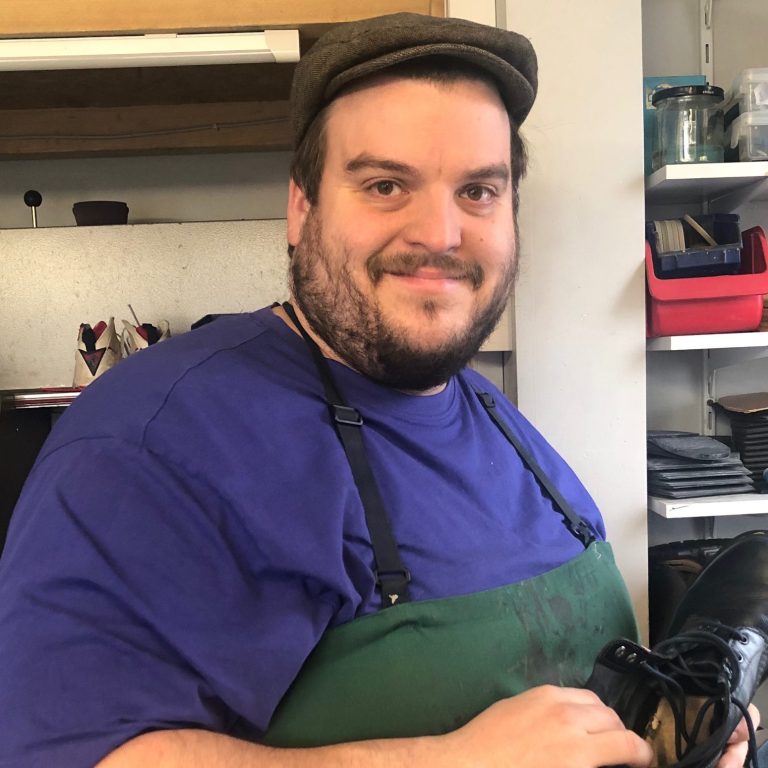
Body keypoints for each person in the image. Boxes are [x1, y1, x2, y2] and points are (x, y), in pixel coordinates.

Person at [0, 13, 755, 768]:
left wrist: (672, 728)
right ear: (302, 209)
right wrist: (449, 762)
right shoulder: (154, 443)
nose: (440, 234)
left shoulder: (492, 415)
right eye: (386, 185)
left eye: (478, 191)